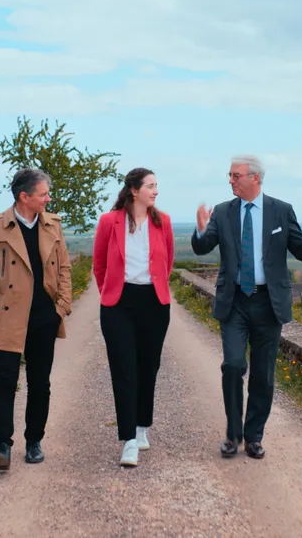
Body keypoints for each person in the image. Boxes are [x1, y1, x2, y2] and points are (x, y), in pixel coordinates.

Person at [191, 155, 302, 459]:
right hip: (233, 301)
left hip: (268, 303)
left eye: (236, 175)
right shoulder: (222, 211)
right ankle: (233, 436)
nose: (231, 180)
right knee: (233, 365)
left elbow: (300, 250)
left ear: (254, 178)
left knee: (263, 374)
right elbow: (203, 247)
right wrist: (200, 228)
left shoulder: (280, 211)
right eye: (230, 175)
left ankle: (254, 436)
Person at [0, 167, 73, 471]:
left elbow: (64, 269)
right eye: (44, 193)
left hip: (44, 317)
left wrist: (62, 306)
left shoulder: (53, 226)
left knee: (39, 383)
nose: (48, 198)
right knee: (4, 382)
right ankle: (2, 446)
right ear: (25, 197)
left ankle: (34, 441)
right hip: (7, 318)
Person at [93, 168, 175, 467]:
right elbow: (99, 264)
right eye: (150, 186)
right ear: (133, 190)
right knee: (124, 368)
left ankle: (142, 428)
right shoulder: (108, 221)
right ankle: (128, 440)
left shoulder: (162, 221)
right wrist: (111, 293)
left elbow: (167, 262)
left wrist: (154, 290)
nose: (155, 191)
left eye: (156, 186)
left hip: (154, 302)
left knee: (148, 366)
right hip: (118, 303)